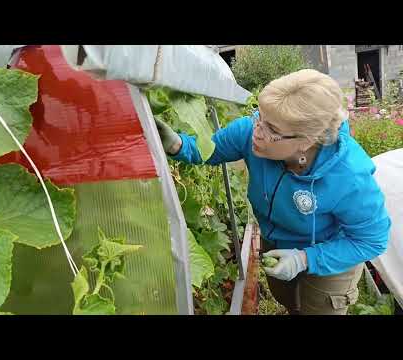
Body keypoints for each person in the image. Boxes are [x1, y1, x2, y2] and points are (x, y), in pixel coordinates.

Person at [155, 69, 391, 315]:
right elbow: (209, 150)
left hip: (331, 254)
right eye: (259, 116)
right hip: (277, 242)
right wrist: (176, 144)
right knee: (290, 300)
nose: (257, 130)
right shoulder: (251, 132)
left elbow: (371, 240)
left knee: (320, 308)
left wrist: (304, 259)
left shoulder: (349, 176)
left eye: (271, 128)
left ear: (307, 141)